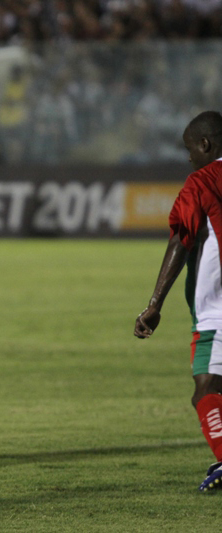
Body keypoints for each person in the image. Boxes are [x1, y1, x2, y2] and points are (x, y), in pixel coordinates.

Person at [134, 110, 222, 492]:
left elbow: (181, 238)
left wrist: (154, 304)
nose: (189, 158)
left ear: (205, 145)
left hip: (217, 311)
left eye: (190, 149)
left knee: (207, 389)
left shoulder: (203, 180)